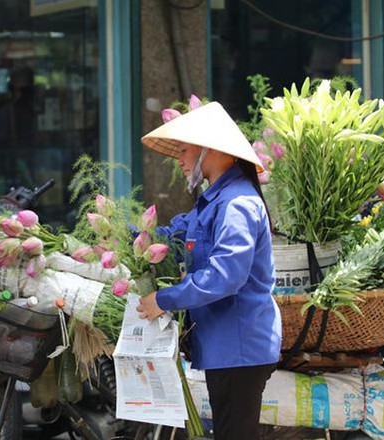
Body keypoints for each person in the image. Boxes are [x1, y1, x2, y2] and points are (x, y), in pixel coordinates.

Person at [136, 102, 282, 440]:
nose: (180, 159)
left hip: (238, 346)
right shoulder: (213, 202)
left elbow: (224, 276)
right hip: (225, 346)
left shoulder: (237, 204)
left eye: (185, 149)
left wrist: (164, 299)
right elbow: (169, 236)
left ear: (213, 150)